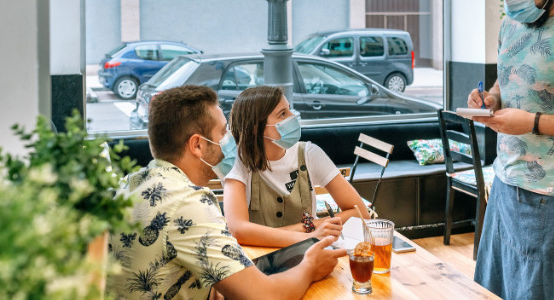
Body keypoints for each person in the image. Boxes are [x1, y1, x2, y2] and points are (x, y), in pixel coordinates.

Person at [107, 85, 346, 299]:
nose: (230, 140)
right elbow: (264, 296)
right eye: (223, 132)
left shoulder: (133, 182)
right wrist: (309, 267)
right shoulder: (188, 202)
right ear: (197, 145)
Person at [467, 0, 554, 298]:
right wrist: (490, 99)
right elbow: (506, 82)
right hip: (505, 190)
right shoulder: (511, 22)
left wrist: (534, 122)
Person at [223, 86, 371, 248]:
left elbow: (361, 213)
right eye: (283, 114)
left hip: (310, 256)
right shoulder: (238, 162)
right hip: (260, 261)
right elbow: (237, 230)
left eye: (289, 110)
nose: (293, 117)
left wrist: (265, 234)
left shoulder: (310, 154)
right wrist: (309, 228)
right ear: (256, 128)